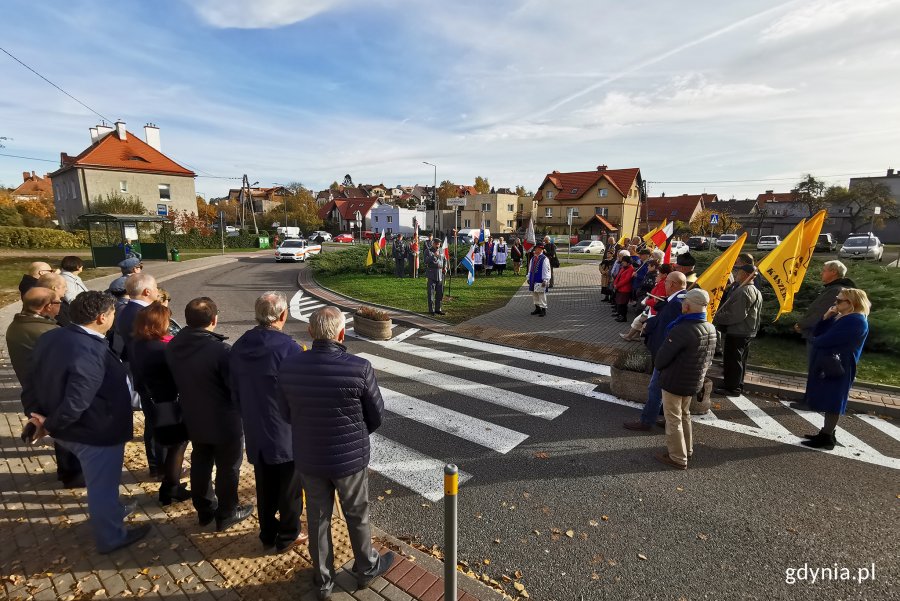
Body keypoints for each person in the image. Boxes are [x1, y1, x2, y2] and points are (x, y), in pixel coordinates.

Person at [278, 307, 394, 599]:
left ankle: (323, 580)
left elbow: (284, 413)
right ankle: (366, 569)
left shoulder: (290, 367)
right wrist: (354, 435)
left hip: (309, 456)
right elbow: (376, 415)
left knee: (317, 518)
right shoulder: (359, 367)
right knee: (357, 513)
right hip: (349, 459)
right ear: (341, 333)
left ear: (311, 332)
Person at [21, 291, 150, 552]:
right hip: (94, 432)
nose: (114, 318)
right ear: (102, 317)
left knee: (102, 485)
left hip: (68, 428)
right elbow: (77, 401)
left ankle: (112, 510)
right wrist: (49, 424)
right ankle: (111, 537)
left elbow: (31, 379)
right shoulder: (90, 351)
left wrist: (35, 415)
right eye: (113, 314)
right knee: (101, 487)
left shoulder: (51, 337)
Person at [230, 292, 308, 552]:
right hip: (284, 429)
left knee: (263, 484)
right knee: (289, 488)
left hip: (254, 425)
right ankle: (288, 534)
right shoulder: (289, 349)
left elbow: (234, 388)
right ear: (283, 316)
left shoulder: (240, 345)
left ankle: (266, 533)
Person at [166, 297, 252, 531]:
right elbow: (234, 387)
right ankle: (227, 512)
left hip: (192, 414)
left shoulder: (174, 345)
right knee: (228, 467)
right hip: (224, 420)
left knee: (201, 461)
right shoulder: (221, 350)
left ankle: (204, 509)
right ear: (214, 320)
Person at [7, 287, 84, 488]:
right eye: (58, 302)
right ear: (47, 306)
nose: (61, 305)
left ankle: (67, 471)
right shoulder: (48, 332)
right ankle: (73, 474)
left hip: (37, 386)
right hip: (54, 388)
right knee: (67, 430)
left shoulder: (16, 325)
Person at [129, 302, 191, 505]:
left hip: (150, 400)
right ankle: (169, 488)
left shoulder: (138, 343)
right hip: (167, 402)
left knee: (166, 441)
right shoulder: (163, 349)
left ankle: (169, 484)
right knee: (178, 444)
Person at [653, 288, 717, 469]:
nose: (682, 305)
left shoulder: (681, 329)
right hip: (693, 380)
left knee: (673, 418)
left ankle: (677, 457)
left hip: (675, 380)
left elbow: (661, 359)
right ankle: (687, 449)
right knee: (684, 415)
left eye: (683, 302)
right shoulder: (710, 327)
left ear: (687, 306)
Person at [800, 288, 870, 450]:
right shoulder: (843, 317)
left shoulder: (856, 321)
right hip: (832, 362)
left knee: (834, 400)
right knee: (830, 397)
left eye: (839, 301)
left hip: (839, 365)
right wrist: (826, 318)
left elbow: (825, 339)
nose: (835, 303)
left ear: (851, 303)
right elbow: (820, 332)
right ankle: (826, 433)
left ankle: (827, 437)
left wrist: (816, 340)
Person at [623, 271, 688, 431]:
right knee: (666, 389)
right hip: (669, 353)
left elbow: (666, 329)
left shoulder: (676, 304)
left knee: (655, 388)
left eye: (666, 282)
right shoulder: (678, 300)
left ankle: (646, 421)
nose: (664, 285)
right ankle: (666, 417)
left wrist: (649, 328)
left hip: (664, 353)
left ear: (672, 284)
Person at [712, 264, 763, 397]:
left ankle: (732, 388)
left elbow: (736, 315)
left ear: (746, 274)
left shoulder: (744, 291)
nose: (736, 274)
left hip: (738, 331)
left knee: (733, 360)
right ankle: (734, 384)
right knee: (739, 360)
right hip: (747, 330)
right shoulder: (754, 290)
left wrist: (716, 317)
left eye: (738, 272)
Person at [620, 262, 669, 341]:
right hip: (651, 308)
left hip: (653, 310)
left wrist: (646, 302)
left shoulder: (662, 285)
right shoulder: (660, 283)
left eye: (659, 273)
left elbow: (657, 300)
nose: (657, 274)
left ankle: (629, 336)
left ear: (665, 275)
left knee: (638, 321)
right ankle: (634, 336)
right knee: (639, 321)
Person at [527, 242, 551, 317]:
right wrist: (528, 277)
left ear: (542, 250)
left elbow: (546, 270)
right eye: (537, 248)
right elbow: (530, 269)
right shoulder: (533, 258)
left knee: (541, 294)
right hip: (533, 278)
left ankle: (543, 309)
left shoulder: (544, 259)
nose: (537, 250)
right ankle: (537, 308)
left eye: (539, 249)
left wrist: (545, 280)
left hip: (540, 279)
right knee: (534, 294)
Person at [424, 238, 446, 316]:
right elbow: (425, 261)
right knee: (431, 293)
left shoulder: (441, 250)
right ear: (433, 243)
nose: (437, 245)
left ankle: (438, 309)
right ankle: (431, 310)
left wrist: (445, 267)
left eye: (439, 244)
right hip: (431, 274)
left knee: (440, 293)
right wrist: (433, 256)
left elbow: (444, 259)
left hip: (440, 274)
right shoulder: (428, 251)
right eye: (436, 243)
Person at [612, 252, 634, 322]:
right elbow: (618, 276)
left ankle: (623, 317)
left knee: (623, 304)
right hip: (619, 288)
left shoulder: (630, 269)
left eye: (624, 262)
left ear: (628, 263)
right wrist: (615, 283)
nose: (622, 263)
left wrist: (617, 285)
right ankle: (619, 315)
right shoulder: (623, 268)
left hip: (625, 289)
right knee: (619, 302)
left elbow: (626, 280)